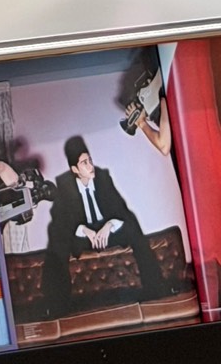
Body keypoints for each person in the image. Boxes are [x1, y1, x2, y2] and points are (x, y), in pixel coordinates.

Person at [42, 135, 166, 318]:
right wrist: (85, 230)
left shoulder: (103, 177)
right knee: (56, 236)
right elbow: (61, 223)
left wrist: (108, 226)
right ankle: (57, 306)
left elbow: (122, 211)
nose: (90, 166)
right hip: (83, 238)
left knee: (132, 225)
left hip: (107, 234)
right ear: (75, 169)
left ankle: (155, 289)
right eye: (84, 163)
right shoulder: (64, 185)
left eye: (90, 160)